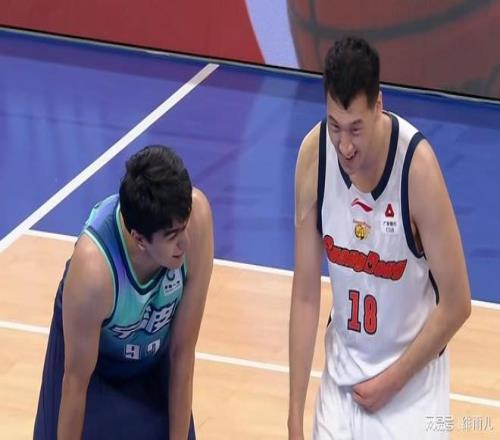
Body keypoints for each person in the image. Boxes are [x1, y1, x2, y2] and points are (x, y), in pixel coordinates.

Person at [288, 36, 471, 439]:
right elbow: (305, 295)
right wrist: (294, 417)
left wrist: (393, 381)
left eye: (356, 128)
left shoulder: (417, 170)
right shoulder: (314, 156)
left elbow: (458, 304)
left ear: (378, 105)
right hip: (342, 379)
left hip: (412, 384)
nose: (344, 145)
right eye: (335, 126)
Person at [34, 145, 214, 439]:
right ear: (139, 239)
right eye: (173, 236)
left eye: (184, 228)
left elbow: (182, 354)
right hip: (95, 361)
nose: (186, 243)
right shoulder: (94, 273)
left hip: (154, 350)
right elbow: (75, 384)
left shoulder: (198, 219)